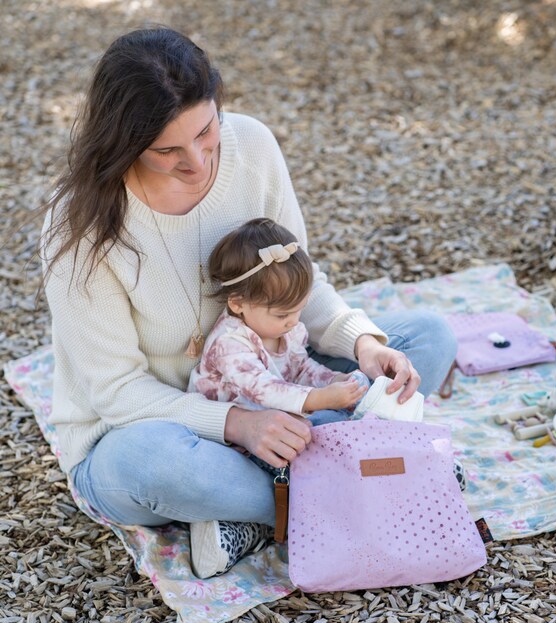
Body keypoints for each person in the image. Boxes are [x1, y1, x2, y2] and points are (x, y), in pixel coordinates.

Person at [40, 26, 457, 579]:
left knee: (427, 338)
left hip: (272, 380)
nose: (197, 162)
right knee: (153, 463)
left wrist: (362, 343)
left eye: (205, 131)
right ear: (123, 143)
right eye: (167, 150)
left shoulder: (252, 146)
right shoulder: (80, 226)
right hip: (155, 429)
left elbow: (297, 286)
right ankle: (371, 481)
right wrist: (238, 424)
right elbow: (118, 394)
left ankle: (264, 512)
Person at [188, 218, 370, 428]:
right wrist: (320, 398)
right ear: (238, 304)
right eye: (282, 315)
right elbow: (263, 389)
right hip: (234, 428)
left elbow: (300, 368)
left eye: (299, 309)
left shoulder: (286, 330)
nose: (294, 321)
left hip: (275, 413)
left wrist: (333, 381)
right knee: (325, 423)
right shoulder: (229, 344)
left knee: (351, 408)